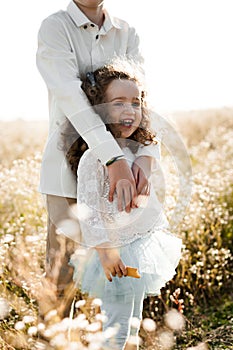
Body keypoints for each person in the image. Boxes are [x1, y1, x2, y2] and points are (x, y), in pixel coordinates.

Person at [36, 0, 160, 315]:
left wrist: (145, 155)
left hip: (122, 176)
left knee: (122, 272)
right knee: (63, 275)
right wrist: (112, 158)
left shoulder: (126, 32)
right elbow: (69, 95)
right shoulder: (56, 27)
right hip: (67, 169)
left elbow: (142, 96)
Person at [64, 61, 182, 350]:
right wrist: (104, 250)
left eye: (135, 103)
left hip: (139, 246)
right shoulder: (98, 156)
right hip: (113, 250)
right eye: (118, 104)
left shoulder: (137, 150)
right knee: (116, 325)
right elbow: (89, 208)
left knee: (133, 320)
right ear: (99, 111)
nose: (129, 111)